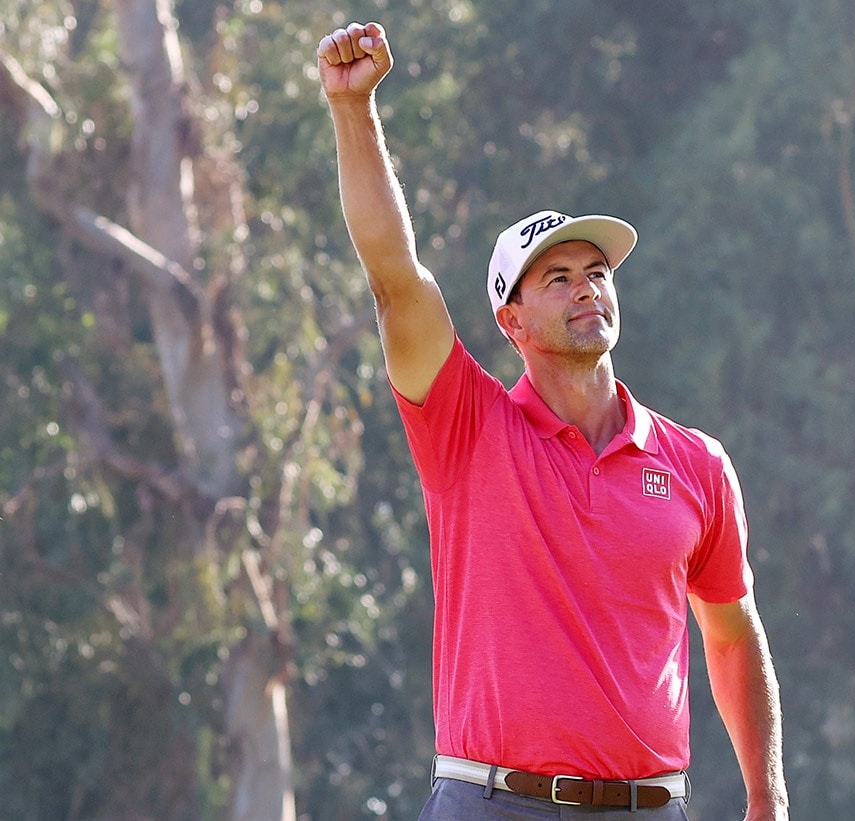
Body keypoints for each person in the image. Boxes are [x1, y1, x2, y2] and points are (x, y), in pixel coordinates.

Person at [316, 21, 789, 821]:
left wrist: (766, 795)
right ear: (513, 321)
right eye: (559, 277)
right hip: (494, 803)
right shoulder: (467, 426)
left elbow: (734, 634)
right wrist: (354, 109)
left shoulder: (696, 463)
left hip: (651, 807)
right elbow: (395, 276)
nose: (586, 289)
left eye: (598, 273)